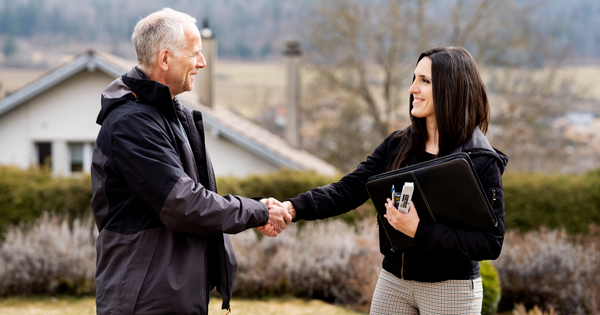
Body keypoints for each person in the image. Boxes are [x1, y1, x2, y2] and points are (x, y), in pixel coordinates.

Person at [273, 46, 508, 314]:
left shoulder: (480, 161)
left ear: (451, 89)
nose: (412, 89)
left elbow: (490, 242)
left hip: (450, 290)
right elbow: (348, 189)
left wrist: (419, 230)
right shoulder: (398, 144)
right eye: (414, 78)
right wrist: (291, 208)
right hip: (394, 282)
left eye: (425, 81)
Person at [90, 8, 290, 315]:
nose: (202, 62)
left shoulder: (170, 114)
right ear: (165, 58)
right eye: (194, 53)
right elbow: (183, 204)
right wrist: (258, 211)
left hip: (173, 292)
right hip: (146, 300)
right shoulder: (131, 124)